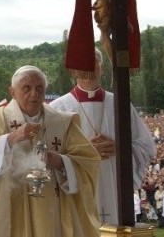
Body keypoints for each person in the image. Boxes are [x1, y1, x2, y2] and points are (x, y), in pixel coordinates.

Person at [0, 65, 101, 237]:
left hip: (52, 210)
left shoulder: (63, 122)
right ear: (12, 92)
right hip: (9, 208)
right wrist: (12, 138)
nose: (34, 93)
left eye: (39, 88)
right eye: (26, 88)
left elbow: (88, 162)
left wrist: (59, 161)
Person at [50, 48, 156, 226]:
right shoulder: (57, 108)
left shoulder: (120, 104)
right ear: (74, 70)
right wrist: (85, 151)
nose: (89, 67)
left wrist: (120, 148)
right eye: (83, 63)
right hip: (76, 189)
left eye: (94, 62)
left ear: (102, 67)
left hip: (114, 188)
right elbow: (48, 154)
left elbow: (146, 147)